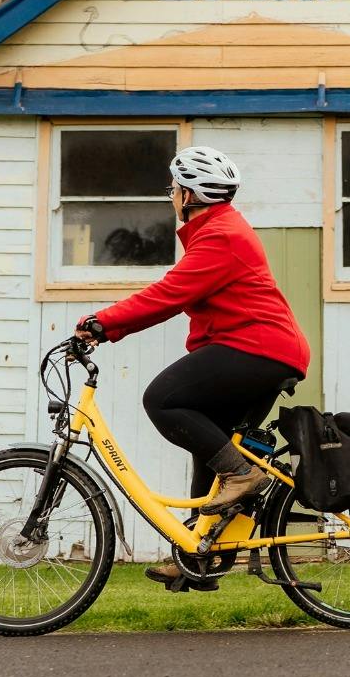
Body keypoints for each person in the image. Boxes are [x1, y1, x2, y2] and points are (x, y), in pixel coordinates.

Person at [74, 145, 310, 589]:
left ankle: (243, 476)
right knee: (213, 446)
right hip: (261, 348)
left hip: (258, 347)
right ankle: (199, 556)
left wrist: (102, 323)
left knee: (162, 399)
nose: (171, 197)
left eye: (173, 189)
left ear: (188, 194)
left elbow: (168, 295)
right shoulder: (218, 231)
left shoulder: (222, 236)